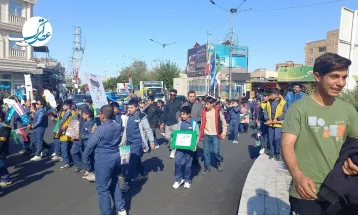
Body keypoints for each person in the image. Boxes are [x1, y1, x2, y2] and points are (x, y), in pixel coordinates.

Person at [281, 53, 358, 215]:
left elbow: (356, 143)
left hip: (338, 188)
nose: (341, 83)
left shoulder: (348, 110)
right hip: (307, 191)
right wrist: (298, 175)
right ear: (317, 76)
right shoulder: (298, 109)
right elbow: (287, 146)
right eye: (334, 77)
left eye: (344, 77)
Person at [84, 105, 127, 215]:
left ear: (102, 116)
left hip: (103, 160)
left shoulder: (100, 129)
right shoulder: (118, 126)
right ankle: (121, 208)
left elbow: (89, 146)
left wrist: (87, 164)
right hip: (116, 157)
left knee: (103, 190)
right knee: (114, 182)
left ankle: (106, 213)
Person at [120, 99, 155, 192]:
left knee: (131, 161)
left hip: (137, 142)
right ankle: (142, 173)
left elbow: (148, 130)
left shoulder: (142, 116)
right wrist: (123, 140)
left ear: (137, 107)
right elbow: (126, 130)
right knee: (124, 160)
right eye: (128, 108)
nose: (129, 110)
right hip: (128, 141)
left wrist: (152, 142)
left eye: (131, 108)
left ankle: (127, 182)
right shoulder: (127, 116)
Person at [172, 106, 199, 189]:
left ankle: (187, 180)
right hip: (180, 147)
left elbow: (197, 135)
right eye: (181, 114)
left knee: (188, 165)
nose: (182, 116)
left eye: (184, 114)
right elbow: (175, 134)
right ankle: (178, 179)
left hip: (189, 148)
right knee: (177, 162)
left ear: (189, 114)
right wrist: (173, 142)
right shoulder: (179, 123)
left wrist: (195, 145)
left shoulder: (194, 123)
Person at [200, 96, 227, 174]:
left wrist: (224, 132)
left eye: (208, 104)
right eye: (205, 104)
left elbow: (223, 121)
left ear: (212, 104)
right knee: (206, 152)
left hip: (215, 134)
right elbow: (202, 123)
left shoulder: (217, 111)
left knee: (215, 151)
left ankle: (218, 162)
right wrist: (201, 133)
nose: (206, 105)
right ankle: (207, 166)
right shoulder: (204, 112)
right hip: (206, 134)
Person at [264, 88, 287, 161]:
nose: (270, 96)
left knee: (277, 138)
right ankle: (271, 153)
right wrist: (267, 119)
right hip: (270, 124)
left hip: (278, 124)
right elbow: (265, 112)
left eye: (271, 94)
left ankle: (277, 153)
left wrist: (277, 119)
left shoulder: (283, 103)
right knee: (270, 139)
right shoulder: (268, 102)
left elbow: (285, 112)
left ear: (277, 95)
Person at [181, 91, 203, 164]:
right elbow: (180, 114)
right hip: (185, 126)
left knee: (193, 143)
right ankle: (187, 158)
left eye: (193, 96)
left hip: (194, 126)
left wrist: (193, 121)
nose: (192, 98)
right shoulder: (184, 105)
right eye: (190, 96)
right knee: (186, 143)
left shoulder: (199, 105)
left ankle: (194, 159)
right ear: (188, 97)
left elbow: (201, 116)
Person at [161, 89, 182, 159]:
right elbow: (164, 112)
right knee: (167, 137)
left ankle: (173, 151)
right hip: (168, 122)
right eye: (171, 95)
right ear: (169, 94)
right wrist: (162, 122)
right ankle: (173, 145)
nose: (172, 96)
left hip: (176, 122)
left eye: (174, 95)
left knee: (175, 137)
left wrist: (180, 117)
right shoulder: (167, 102)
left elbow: (181, 111)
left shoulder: (179, 102)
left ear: (176, 95)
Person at [81, 108, 96, 182]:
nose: (82, 116)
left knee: (85, 156)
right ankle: (91, 171)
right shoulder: (86, 121)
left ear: (88, 115)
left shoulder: (90, 123)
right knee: (90, 157)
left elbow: (91, 134)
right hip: (86, 143)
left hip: (89, 143)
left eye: (83, 115)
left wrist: (83, 136)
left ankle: (89, 171)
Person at [0, 111, 12, 187]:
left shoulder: (5, 128)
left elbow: (2, 141)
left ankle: (6, 179)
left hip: (2, 150)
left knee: (2, 165)